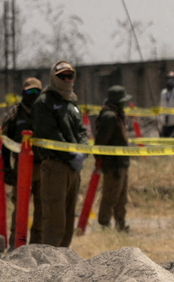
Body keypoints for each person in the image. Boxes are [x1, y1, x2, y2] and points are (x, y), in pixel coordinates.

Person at [31, 61, 89, 247]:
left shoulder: (72, 103)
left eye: (69, 76)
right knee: (54, 218)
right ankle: (50, 259)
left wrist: (83, 151)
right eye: (62, 76)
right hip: (55, 165)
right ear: (53, 78)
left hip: (73, 169)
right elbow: (50, 134)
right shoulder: (45, 102)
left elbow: (82, 131)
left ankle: (64, 258)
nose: (66, 79)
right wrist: (71, 154)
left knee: (68, 218)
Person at [1, 77, 45, 247]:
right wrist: (6, 168)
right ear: (23, 93)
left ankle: (37, 244)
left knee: (42, 207)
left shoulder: (46, 112)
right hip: (21, 168)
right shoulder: (15, 114)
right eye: (29, 91)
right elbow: (5, 142)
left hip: (43, 166)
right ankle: (16, 244)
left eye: (36, 91)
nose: (33, 95)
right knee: (20, 206)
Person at [94, 85, 132, 233]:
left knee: (121, 198)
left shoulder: (117, 115)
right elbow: (100, 142)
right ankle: (104, 225)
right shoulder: (109, 117)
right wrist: (101, 160)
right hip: (113, 164)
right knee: (110, 196)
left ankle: (121, 225)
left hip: (121, 162)